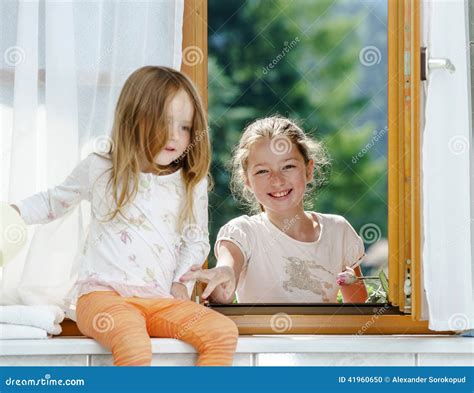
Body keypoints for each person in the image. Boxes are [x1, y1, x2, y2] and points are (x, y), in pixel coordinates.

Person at [11, 66, 238, 366]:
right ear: (135, 118)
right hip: (103, 297)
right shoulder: (102, 169)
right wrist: (11, 215)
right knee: (132, 341)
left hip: (159, 300)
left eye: (185, 127)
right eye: (164, 122)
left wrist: (179, 282)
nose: (175, 135)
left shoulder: (189, 183)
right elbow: (54, 201)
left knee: (222, 331)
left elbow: (195, 241)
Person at [180, 116, 368, 304]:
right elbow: (226, 278)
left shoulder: (338, 230)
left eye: (288, 166)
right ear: (246, 180)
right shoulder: (242, 233)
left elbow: (358, 311)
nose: (277, 180)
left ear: (309, 170)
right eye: (262, 171)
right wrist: (224, 274)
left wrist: (350, 282)